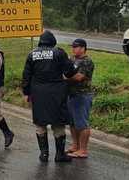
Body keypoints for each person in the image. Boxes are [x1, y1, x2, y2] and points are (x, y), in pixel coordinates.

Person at [22, 30, 77, 163]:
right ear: (53, 42)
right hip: (57, 93)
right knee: (58, 123)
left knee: (40, 123)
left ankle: (44, 154)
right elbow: (70, 72)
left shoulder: (32, 54)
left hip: (38, 93)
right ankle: (59, 155)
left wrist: (26, 92)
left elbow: (26, 76)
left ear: (40, 41)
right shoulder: (59, 52)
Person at [66, 39, 94, 158]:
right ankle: (75, 146)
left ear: (83, 48)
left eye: (76, 47)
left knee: (82, 123)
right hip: (71, 94)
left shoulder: (87, 61)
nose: (74, 49)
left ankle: (83, 150)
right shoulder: (72, 59)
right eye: (73, 46)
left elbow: (79, 77)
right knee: (73, 123)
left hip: (82, 95)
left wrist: (64, 78)